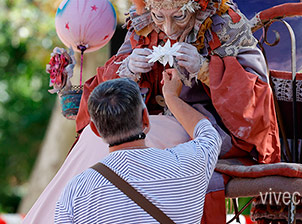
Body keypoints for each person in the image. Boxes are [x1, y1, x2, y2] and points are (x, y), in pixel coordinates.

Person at [23, 0, 280, 223]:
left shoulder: (224, 24)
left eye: (179, 17)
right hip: (152, 122)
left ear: (197, 6)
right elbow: (106, 89)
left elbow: (257, 102)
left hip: (209, 128)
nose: (167, 29)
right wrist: (128, 69)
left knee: (138, 140)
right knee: (94, 136)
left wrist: (205, 69)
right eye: (159, 16)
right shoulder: (144, 23)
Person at [54, 72, 221, 223]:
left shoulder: (74, 193)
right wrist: (171, 97)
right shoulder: (188, 164)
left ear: (95, 131)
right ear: (146, 119)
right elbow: (209, 135)